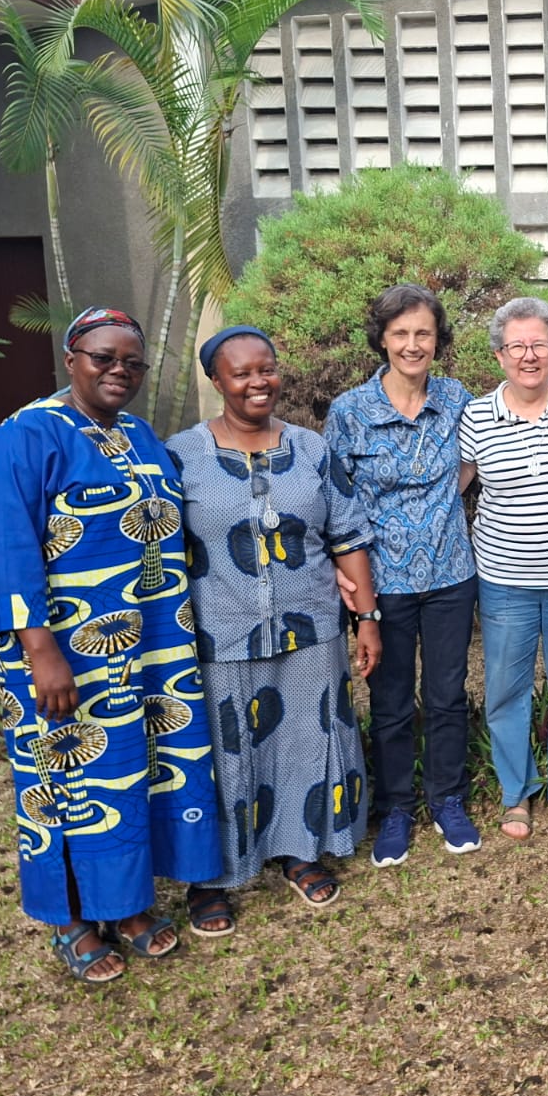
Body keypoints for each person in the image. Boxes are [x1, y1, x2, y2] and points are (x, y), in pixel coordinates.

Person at [0, 306, 221, 983]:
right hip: (63, 651)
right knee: (68, 777)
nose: (119, 371)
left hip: (149, 641)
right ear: (71, 359)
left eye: (132, 363)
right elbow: (5, 550)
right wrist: (40, 651)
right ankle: (72, 919)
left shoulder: (138, 435)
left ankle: (129, 905)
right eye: (104, 358)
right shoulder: (24, 436)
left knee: (133, 771)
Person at [167, 326, 381, 934]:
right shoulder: (180, 456)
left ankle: (299, 851)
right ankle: (213, 878)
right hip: (222, 631)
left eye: (267, 369)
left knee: (307, 742)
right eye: (242, 373)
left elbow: (347, 535)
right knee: (226, 751)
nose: (258, 382)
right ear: (217, 380)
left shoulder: (311, 450)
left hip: (310, 627)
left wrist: (367, 618)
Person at [324, 284, 481, 868]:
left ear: (437, 341)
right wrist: (343, 572)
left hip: (449, 575)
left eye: (423, 333)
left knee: (446, 696)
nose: (412, 345)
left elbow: (485, 447)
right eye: (401, 334)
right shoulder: (350, 412)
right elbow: (334, 499)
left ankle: (448, 800)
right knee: (389, 701)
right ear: (382, 339)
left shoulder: (457, 398)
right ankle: (395, 808)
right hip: (381, 582)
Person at [458, 296, 548, 838]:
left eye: (539, 344)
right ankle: (516, 792)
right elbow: (455, 489)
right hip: (504, 580)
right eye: (516, 346)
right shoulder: (475, 417)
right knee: (506, 691)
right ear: (499, 355)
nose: (529, 355)